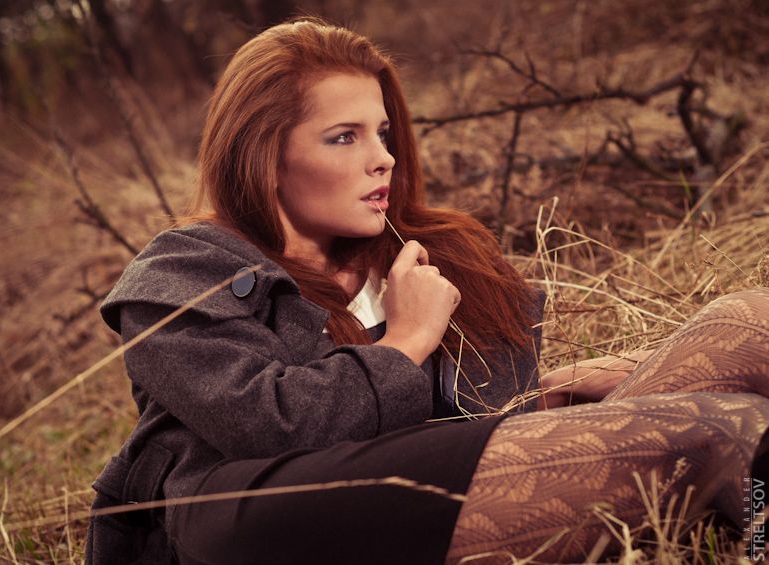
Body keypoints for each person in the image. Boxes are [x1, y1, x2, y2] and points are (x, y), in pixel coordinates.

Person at [84, 18, 769, 564]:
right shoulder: (185, 269)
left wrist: (544, 397)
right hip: (255, 518)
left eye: (382, 133)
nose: (382, 157)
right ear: (263, 153)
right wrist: (407, 340)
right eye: (343, 137)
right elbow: (271, 427)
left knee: (748, 322)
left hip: (433, 499)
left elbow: (462, 438)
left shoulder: (429, 254)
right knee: (720, 430)